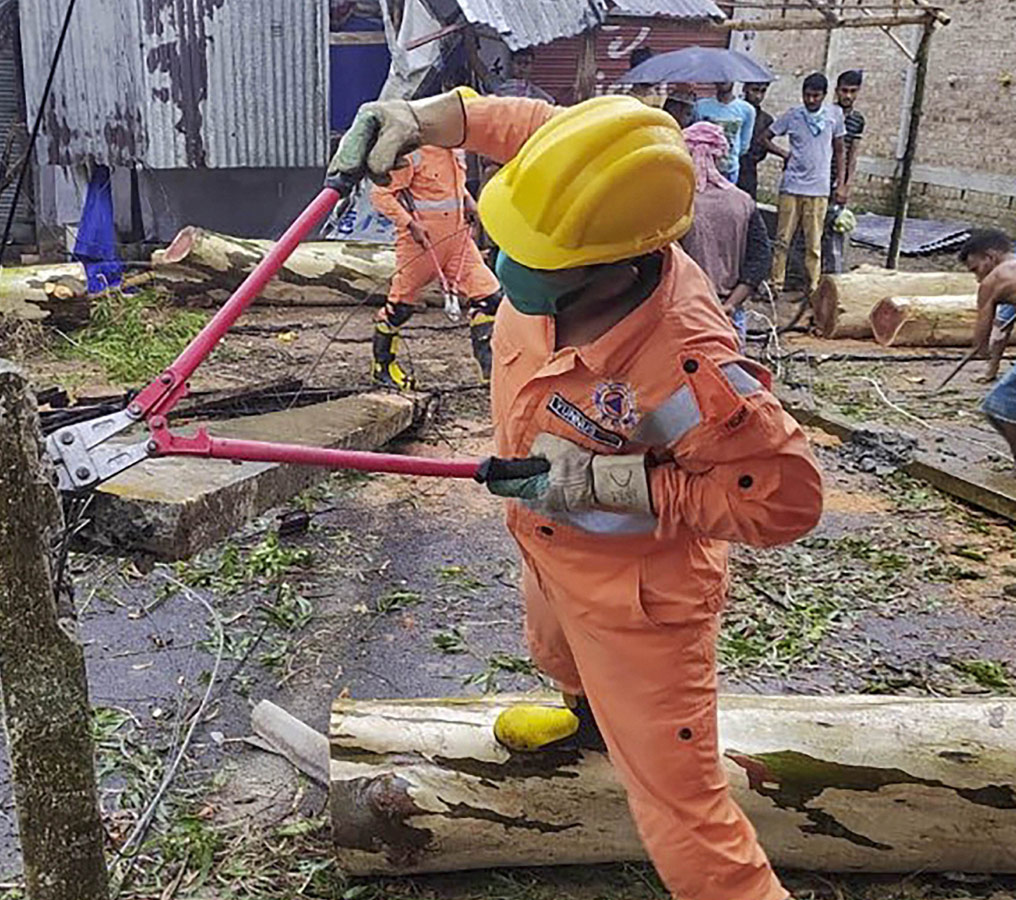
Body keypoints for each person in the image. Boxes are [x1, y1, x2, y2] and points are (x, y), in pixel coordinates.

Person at [330, 90, 823, 900]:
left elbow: (782, 502)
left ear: (616, 267)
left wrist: (612, 482)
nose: (505, 262)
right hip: (550, 542)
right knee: (553, 644)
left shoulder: (688, 368)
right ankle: (585, 721)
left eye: (531, 257)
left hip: (639, 597)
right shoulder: (599, 191)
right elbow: (528, 127)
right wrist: (422, 119)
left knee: (684, 816)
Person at [369, 143, 503, 387]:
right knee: (400, 308)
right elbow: (380, 195)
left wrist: (468, 201)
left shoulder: (456, 150)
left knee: (490, 299)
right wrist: (410, 224)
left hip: (458, 242)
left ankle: (491, 372)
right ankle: (382, 368)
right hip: (420, 246)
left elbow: (452, 185)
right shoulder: (412, 154)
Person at [679, 122, 771, 345]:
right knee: (729, 373)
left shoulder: (679, 203)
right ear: (720, 157)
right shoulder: (743, 201)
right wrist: (729, 304)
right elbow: (760, 258)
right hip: (730, 312)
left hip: (685, 312)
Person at [765, 72, 846, 297]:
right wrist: (784, 154)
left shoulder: (834, 116)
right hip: (791, 186)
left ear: (823, 95)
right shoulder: (793, 116)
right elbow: (765, 137)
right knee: (782, 239)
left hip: (818, 188)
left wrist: (841, 182)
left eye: (815, 96)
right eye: (807, 95)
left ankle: (813, 287)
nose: (810, 100)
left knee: (814, 243)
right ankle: (776, 283)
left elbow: (840, 150)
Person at [959, 232, 1016, 466]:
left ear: (990, 258)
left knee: (997, 407)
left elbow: (981, 339)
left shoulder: (994, 279)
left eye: (975, 270)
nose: (977, 278)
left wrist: (979, 349)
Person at [822, 70, 866, 274]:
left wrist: (845, 184)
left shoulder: (857, 120)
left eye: (853, 91)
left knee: (836, 229)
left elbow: (852, 154)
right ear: (837, 90)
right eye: (844, 91)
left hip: (836, 181)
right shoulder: (826, 114)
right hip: (819, 177)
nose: (848, 96)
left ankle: (833, 276)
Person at [693, 81, 756, 186]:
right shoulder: (700, 107)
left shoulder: (747, 110)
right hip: (704, 167)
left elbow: (744, 144)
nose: (723, 81)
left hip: (730, 168)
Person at [737, 81, 776, 200]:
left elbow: (761, 150)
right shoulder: (735, 111)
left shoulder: (765, 120)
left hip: (749, 170)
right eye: (755, 90)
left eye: (763, 91)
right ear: (745, 89)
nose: (758, 96)